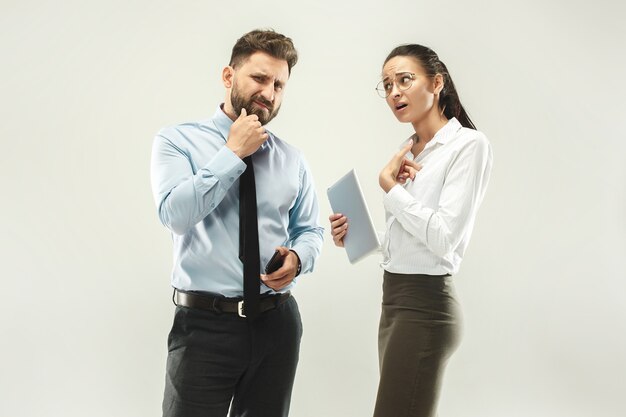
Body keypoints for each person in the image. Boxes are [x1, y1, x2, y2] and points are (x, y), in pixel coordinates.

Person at [151, 29, 324, 417]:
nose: (270, 92)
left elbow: (310, 229)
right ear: (229, 77)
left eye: (279, 84)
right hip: (204, 328)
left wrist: (298, 257)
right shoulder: (177, 141)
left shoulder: (291, 158)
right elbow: (175, 215)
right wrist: (232, 153)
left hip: (276, 325)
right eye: (260, 78)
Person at [329, 44, 493, 417]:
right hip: (395, 301)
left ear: (437, 83)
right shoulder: (408, 150)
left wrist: (391, 188)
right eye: (387, 85)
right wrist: (359, 237)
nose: (394, 93)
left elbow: (444, 238)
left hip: (427, 306)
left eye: (405, 80)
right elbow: (410, 242)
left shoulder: (468, 145)